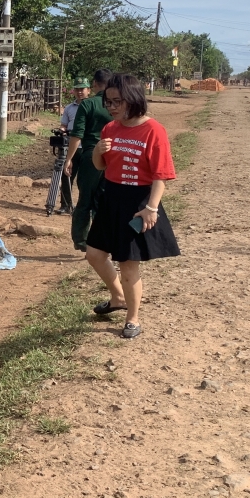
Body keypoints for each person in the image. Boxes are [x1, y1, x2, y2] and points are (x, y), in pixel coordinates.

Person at [86, 73, 180, 339]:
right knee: (94, 254)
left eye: (118, 101)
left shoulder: (154, 130)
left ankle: (133, 318)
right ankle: (117, 297)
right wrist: (97, 150)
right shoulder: (110, 128)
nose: (112, 107)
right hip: (111, 197)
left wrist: (151, 208)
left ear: (133, 99)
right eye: (108, 102)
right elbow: (100, 166)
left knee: (128, 263)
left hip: (138, 201)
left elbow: (161, 175)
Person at [64, 68, 113, 251]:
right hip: (112, 157)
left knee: (85, 199)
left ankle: (81, 240)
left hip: (91, 156)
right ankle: (102, 239)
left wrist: (69, 159)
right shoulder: (117, 104)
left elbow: (77, 135)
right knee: (103, 199)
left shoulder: (87, 104)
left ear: (94, 84)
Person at [56, 79, 91, 215]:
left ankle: (83, 206)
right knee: (66, 175)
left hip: (86, 147)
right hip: (71, 146)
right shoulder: (69, 108)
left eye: (82, 89)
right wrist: (62, 130)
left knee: (85, 179)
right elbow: (64, 124)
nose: (80, 92)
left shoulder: (91, 106)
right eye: (77, 89)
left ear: (89, 90)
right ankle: (66, 205)